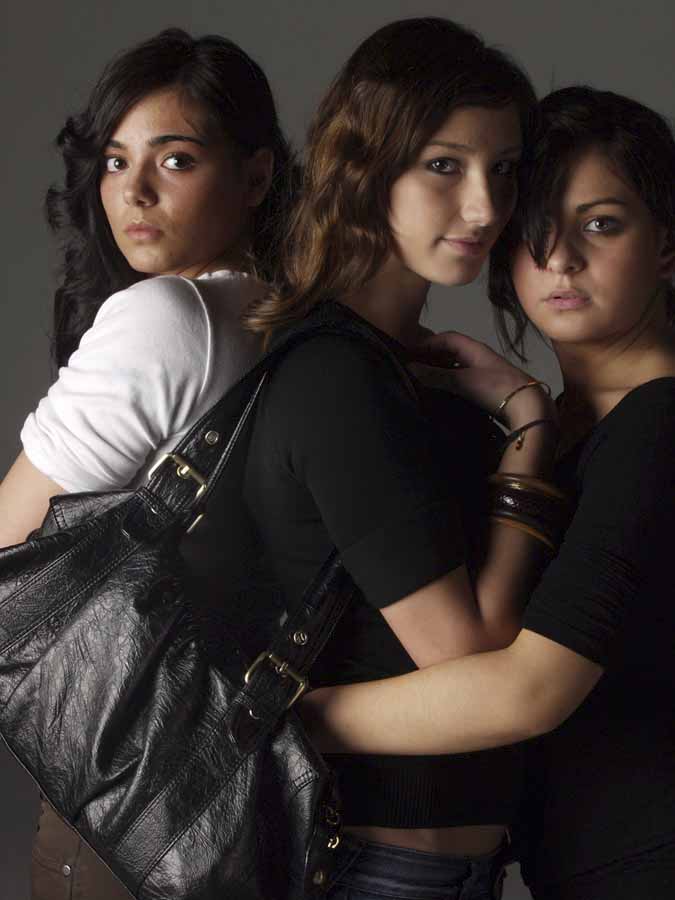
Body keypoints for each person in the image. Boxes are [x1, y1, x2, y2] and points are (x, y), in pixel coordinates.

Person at [302, 86, 675, 900]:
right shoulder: (576, 430)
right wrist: (527, 414)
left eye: (601, 224)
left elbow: (528, 691)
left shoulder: (656, 426)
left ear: (666, 246)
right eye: (533, 230)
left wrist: (279, 721)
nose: (560, 258)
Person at [241, 17, 564, 900]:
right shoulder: (337, 376)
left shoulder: (389, 365)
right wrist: (528, 428)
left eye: (503, 170)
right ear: (366, 166)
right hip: (380, 869)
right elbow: (466, 658)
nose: (485, 208)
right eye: (444, 166)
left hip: (430, 867)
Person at [0, 27, 295, 900]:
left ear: (255, 176)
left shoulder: (165, 317)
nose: (131, 191)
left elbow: (10, 549)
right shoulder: (288, 317)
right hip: (237, 791)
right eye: (115, 161)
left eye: (174, 160)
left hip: (130, 799)